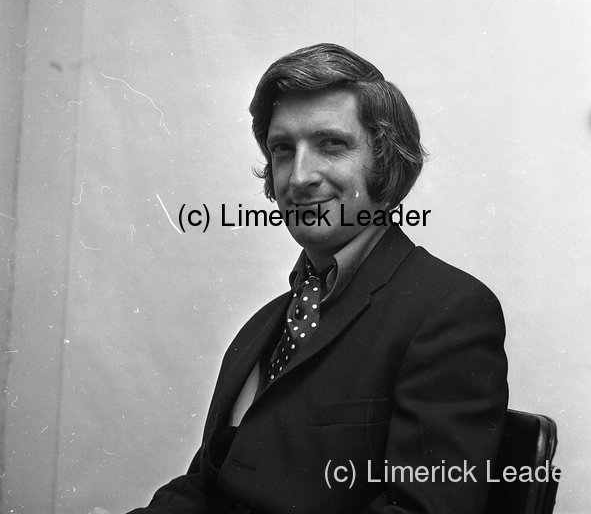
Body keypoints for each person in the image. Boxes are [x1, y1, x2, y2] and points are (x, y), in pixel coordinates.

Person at [126, 43, 508, 514]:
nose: (299, 177)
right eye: (283, 150)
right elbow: (207, 486)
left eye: (331, 144)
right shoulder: (261, 328)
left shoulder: (450, 310)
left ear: (386, 160)